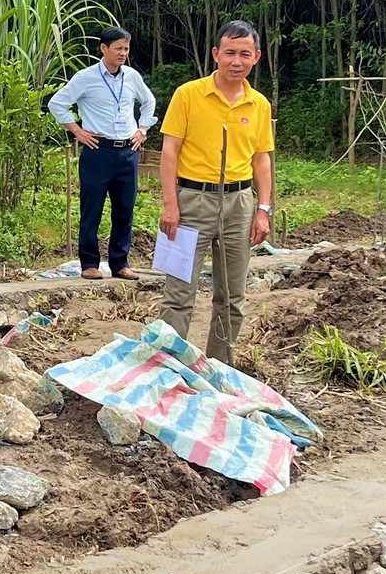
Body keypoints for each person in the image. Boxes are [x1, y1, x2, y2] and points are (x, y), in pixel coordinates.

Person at [156, 20, 275, 365]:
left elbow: (261, 159)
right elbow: (169, 152)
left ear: (256, 57)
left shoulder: (259, 104)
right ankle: (169, 369)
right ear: (215, 54)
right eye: (229, 53)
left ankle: (220, 366)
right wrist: (170, 205)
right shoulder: (189, 94)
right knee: (179, 293)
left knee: (232, 296)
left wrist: (263, 209)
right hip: (192, 200)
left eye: (244, 54)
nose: (236, 61)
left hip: (239, 204)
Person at [49, 26, 156, 279]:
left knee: (124, 208)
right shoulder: (86, 77)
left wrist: (142, 129)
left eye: (126, 49)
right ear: (103, 48)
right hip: (99, 150)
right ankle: (89, 264)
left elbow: (149, 101)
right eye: (118, 48)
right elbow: (57, 103)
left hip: (127, 149)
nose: (123, 53)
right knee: (92, 207)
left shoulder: (131, 76)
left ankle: (120, 263)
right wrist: (77, 131)